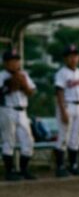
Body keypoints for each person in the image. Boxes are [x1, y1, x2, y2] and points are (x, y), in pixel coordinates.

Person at [54, 44, 79, 177]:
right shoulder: (61, 73)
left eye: (75, 55)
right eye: (70, 56)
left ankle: (73, 165)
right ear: (65, 58)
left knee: (75, 137)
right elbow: (59, 92)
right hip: (67, 105)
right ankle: (60, 166)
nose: (73, 58)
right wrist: (63, 111)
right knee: (64, 136)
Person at [1, 48, 37, 181]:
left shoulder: (24, 75)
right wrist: (9, 86)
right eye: (12, 60)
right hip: (7, 110)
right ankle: (9, 172)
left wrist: (24, 85)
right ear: (5, 63)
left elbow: (32, 92)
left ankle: (24, 170)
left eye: (17, 60)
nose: (15, 63)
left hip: (22, 111)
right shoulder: (1, 76)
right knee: (8, 141)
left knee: (28, 141)